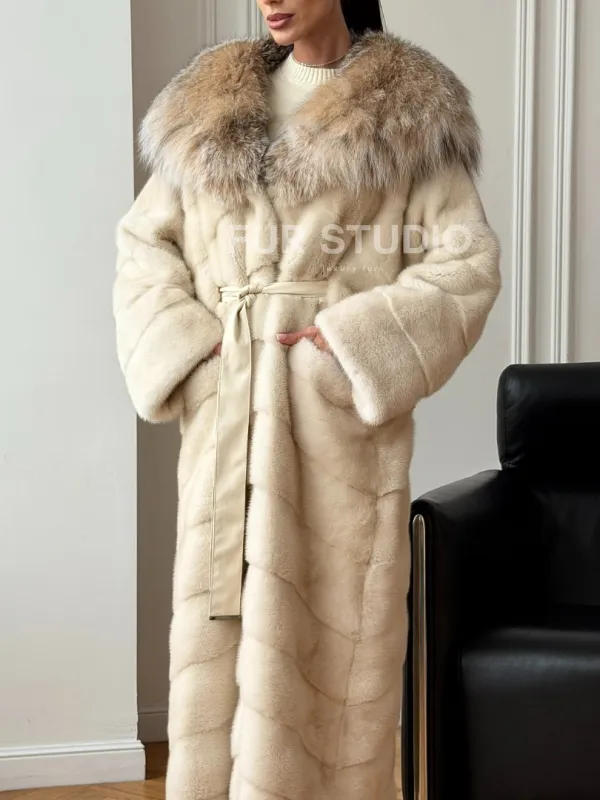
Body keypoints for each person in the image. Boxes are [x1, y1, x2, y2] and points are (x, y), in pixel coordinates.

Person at [113, 0, 501, 797]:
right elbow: (142, 247)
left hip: (334, 442)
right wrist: (196, 348)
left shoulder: (409, 113)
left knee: (337, 657)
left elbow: (465, 266)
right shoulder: (206, 109)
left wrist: (348, 346)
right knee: (218, 647)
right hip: (226, 421)